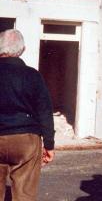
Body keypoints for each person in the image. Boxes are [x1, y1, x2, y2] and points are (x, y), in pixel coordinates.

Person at [0, 29, 55, 201]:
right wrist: (49, 144)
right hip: (26, 139)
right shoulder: (33, 76)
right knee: (25, 194)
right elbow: (44, 110)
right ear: (22, 50)